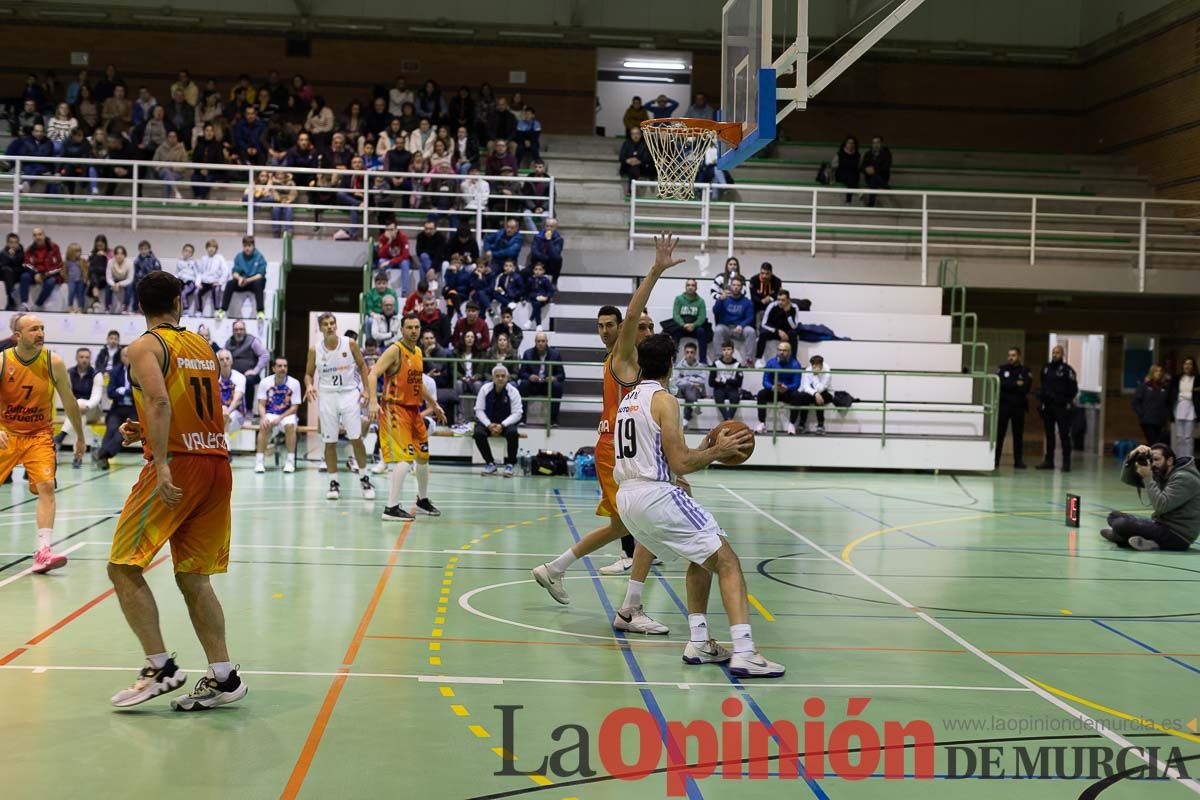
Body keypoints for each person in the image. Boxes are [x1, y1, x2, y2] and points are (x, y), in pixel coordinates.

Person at [105, 270, 247, 710]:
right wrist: (145, 430)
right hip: (216, 464)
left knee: (123, 567)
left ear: (139, 305)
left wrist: (162, 463)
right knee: (192, 576)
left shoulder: (144, 346)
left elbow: (162, 401)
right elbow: (190, 405)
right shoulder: (202, 346)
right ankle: (224, 677)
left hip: (180, 465)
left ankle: (160, 667)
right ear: (179, 302)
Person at [532, 234, 685, 634]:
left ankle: (557, 568)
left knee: (626, 528)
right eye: (642, 324)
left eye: (652, 325)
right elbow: (633, 312)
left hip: (623, 449)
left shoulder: (639, 365)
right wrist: (655, 270)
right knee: (644, 524)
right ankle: (630, 608)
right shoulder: (622, 355)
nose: (646, 328)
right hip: (615, 452)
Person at [614, 333, 783, 677]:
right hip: (654, 495)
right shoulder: (665, 400)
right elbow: (680, 464)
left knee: (700, 557)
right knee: (728, 561)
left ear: (642, 365)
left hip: (628, 499)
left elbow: (667, 454)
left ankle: (700, 642)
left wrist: (704, 446)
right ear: (671, 364)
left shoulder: (628, 399)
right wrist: (718, 452)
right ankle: (746, 651)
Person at [0, 313, 86, 572]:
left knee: (47, 485)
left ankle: (44, 551)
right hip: (7, 433)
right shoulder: (3, 361)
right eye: (33, 329)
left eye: (42, 328)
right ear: (18, 336)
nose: (40, 333)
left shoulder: (53, 362)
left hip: (39, 435)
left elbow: (69, 401)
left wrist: (79, 436)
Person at [367, 314, 448, 521]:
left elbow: (417, 383)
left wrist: (434, 404)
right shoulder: (395, 350)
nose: (414, 331)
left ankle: (422, 500)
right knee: (404, 458)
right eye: (409, 327)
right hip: (395, 409)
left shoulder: (419, 352)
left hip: (414, 411)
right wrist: (373, 402)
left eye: (417, 327)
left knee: (423, 456)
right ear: (402, 330)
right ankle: (391, 508)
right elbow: (372, 373)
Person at [306, 313, 376, 501]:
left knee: (356, 438)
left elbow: (363, 367)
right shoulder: (315, 350)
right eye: (326, 324)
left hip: (349, 394)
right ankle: (333, 482)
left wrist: (367, 391)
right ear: (320, 328)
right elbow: (308, 374)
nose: (330, 327)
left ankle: (364, 478)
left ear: (336, 326)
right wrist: (309, 385)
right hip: (328, 396)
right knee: (330, 442)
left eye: (332, 323)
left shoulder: (349, 344)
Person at [1101, 444, 1200, 551]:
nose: (1153, 464)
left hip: (1178, 536)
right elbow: (1127, 479)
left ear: (1170, 461)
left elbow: (1161, 506)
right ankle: (1134, 539)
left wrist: (1147, 477)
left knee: (1121, 524)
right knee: (1113, 516)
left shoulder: (1185, 478)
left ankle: (1122, 537)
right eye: (1151, 460)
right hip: (1161, 526)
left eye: (1157, 459)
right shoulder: (1163, 472)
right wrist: (1132, 455)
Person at [253, 358, 302, 474]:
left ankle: (290, 461)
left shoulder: (294, 383)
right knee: (264, 425)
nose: (283, 369)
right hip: (270, 413)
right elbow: (261, 404)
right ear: (273, 368)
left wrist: (280, 418)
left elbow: (294, 407)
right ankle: (259, 461)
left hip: (287, 414)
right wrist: (263, 417)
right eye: (279, 366)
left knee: (290, 425)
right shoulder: (265, 382)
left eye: (285, 366)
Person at [474, 364, 523, 477]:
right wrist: (489, 425)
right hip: (488, 422)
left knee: (512, 433)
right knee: (478, 433)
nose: (500, 378)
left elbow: (517, 413)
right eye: (497, 376)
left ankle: (510, 464)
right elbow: (479, 410)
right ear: (493, 377)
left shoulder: (513, 391)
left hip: (506, 422)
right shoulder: (485, 389)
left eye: (503, 376)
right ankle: (490, 463)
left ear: (507, 377)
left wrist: (502, 425)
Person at [94, 345, 137, 471]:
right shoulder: (115, 371)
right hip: (117, 408)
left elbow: (141, 392)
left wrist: (125, 391)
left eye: (130, 355)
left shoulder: (139, 370)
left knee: (122, 433)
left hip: (133, 410)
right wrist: (125, 392)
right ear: (121, 357)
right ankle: (104, 459)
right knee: (111, 430)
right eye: (125, 355)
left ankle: (102, 454)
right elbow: (111, 392)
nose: (128, 358)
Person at [1037, 345, 1077, 472]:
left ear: (1062, 354)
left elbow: (1073, 389)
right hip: (1048, 407)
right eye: (1053, 352)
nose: (1055, 355)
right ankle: (1049, 461)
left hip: (1062, 407)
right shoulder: (1046, 369)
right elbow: (1043, 385)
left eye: (1057, 352)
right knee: (1049, 435)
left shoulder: (1067, 370)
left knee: (1064, 435)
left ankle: (1066, 463)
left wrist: (1064, 400)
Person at [753, 340, 804, 435]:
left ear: (790, 352)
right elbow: (765, 381)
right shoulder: (771, 363)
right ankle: (762, 423)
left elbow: (797, 383)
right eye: (779, 350)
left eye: (784, 350)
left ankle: (791, 424)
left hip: (787, 392)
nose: (781, 352)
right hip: (774, 390)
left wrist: (787, 387)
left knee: (797, 396)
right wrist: (772, 387)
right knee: (761, 394)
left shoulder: (795, 364)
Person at [995, 347, 1032, 469]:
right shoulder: (1002, 369)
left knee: (1018, 435)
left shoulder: (1025, 370)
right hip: (1004, 406)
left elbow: (1026, 387)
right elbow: (1000, 384)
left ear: (1019, 356)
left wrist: (1009, 384)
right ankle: (995, 461)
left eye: (1014, 355)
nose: (1011, 357)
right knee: (1000, 434)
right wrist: (1016, 383)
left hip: (1018, 406)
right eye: (1009, 355)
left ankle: (1018, 461)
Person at [518, 332, 565, 425]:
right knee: (523, 384)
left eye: (543, 341)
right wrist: (529, 377)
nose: (540, 343)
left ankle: (553, 420)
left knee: (557, 386)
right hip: (533, 384)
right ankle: (522, 419)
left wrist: (554, 378)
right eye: (538, 341)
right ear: (535, 342)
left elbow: (562, 375)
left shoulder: (555, 354)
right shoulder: (528, 354)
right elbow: (521, 373)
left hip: (547, 385)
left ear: (547, 342)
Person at [217, 236, 267, 321]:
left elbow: (260, 274)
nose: (247, 248)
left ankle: (260, 312)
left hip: (253, 282)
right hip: (242, 282)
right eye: (245, 246)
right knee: (230, 283)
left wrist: (248, 280)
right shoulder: (239, 256)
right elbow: (234, 272)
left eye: (249, 246)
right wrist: (239, 278)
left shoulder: (259, 256)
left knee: (259, 283)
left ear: (253, 246)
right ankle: (223, 310)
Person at [713, 276, 757, 367]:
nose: (736, 287)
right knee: (718, 330)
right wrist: (720, 300)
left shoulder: (747, 302)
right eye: (734, 285)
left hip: (740, 329)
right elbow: (715, 311)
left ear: (742, 287)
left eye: (738, 285)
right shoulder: (724, 299)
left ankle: (749, 360)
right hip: (726, 328)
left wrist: (742, 325)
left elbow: (750, 317)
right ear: (730, 286)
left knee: (751, 331)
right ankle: (718, 359)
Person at [225, 320, 269, 407]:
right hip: (233, 374)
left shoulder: (252, 341)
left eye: (241, 329)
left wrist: (256, 370)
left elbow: (265, 355)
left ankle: (249, 411)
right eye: (236, 329)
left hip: (250, 374)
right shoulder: (228, 342)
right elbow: (223, 355)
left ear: (245, 330)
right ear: (233, 331)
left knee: (248, 380)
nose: (239, 332)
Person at [667, 278, 711, 362]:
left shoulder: (701, 301)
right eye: (688, 285)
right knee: (674, 332)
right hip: (682, 325)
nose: (690, 287)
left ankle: (703, 360)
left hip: (695, 326)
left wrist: (693, 325)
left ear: (696, 288)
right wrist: (683, 324)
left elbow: (702, 317)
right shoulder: (679, 299)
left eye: (693, 285)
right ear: (685, 287)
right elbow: (676, 315)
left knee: (702, 332)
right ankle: (672, 359)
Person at [758, 289, 800, 358]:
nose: (780, 302)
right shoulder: (772, 305)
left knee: (794, 334)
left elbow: (794, 326)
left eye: (783, 300)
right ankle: (758, 358)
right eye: (778, 299)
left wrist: (788, 313)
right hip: (774, 330)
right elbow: (764, 324)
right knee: (763, 333)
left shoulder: (794, 307)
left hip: (787, 331)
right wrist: (777, 331)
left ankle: (793, 359)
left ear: (788, 300)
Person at [1133, 365, 1170, 446]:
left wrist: (1165, 415)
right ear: (1152, 373)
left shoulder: (1164, 387)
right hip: (1147, 420)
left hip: (1159, 421)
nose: (1159, 373)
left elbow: (1167, 403)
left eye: (1160, 371)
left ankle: (1153, 457)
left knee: (1157, 443)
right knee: (1153, 442)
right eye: (1156, 371)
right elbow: (1135, 401)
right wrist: (1141, 413)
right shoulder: (1145, 386)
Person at [1169, 357, 1198, 459]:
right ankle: (1180, 458)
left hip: (1191, 408)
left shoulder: (1197, 379)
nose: (1187, 366)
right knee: (1179, 437)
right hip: (1179, 407)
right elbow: (1171, 394)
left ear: (1193, 366)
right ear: (1182, 365)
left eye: (1190, 364)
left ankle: (1188, 459)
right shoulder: (1177, 378)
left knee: (1188, 437)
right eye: (1185, 364)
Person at [797, 354, 833, 434]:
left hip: (827, 393)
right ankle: (802, 424)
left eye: (817, 365)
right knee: (804, 397)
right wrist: (815, 393)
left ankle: (821, 426)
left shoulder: (827, 371)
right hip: (813, 392)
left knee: (820, 398)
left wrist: (815, 375)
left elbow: (820, 388)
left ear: (822, 364)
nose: (814, 367)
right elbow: (805, 386)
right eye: (813, 364)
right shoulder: (808, 369)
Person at [216, 349, 246, 441]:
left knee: (225, 417)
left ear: (231, 361)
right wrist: (222, 410)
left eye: (227, 358)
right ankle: (226, 449)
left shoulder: (240, 377)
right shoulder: (213, 377)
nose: (225, 361)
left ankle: (225, 448)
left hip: (237, 414)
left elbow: (237, 400)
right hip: (220, 412)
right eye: (221, 359)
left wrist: (227, 411)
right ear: (217, 362)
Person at [675, 342, 708, 428]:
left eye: (692, 352)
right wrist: (692, 382)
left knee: (690, 390)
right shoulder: (679, 366)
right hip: (682, 390)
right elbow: (676, 381)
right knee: (687, 387)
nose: (689, 355)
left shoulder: (700, 366)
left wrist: (686, 379)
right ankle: (694, 403)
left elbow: (703, 380)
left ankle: (686, 418)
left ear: (695, 353)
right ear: (684, 353)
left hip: (696, 391)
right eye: (687, 352)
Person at [709, 342, 744, 421]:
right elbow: (711, 382)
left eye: (728, 349)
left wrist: (723, 381)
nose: (726, 352)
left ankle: (727, 419)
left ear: (733, 351)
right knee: (718, 397)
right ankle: (728, 419)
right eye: (724, 350)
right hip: (719, 388)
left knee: (735, 398)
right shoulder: (716, 364)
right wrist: (730, 381)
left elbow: (739, 383)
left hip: (732, 388)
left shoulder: (737, 365)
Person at [861, 135, 892, 207]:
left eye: (878, 142)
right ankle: (886, 187)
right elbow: (861, 167)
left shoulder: (886, 153)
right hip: (869, 178)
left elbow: (886, 167)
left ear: (882, 144)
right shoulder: (868, 154)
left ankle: (870, 205)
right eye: (874, 143)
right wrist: (866, 169)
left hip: (883, 178)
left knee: (874, 178)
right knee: (873, 179)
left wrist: (874, 170)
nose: (875, 145)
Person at [524, 262, 555, 326]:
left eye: (540, 269)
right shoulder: (530, 279)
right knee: (536, 304)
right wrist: (527, 298)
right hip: (534, 298)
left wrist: (546, 297)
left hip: (543, 299)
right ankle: (538, 324)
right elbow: (527, 290)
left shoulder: (545, 280)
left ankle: (530, 320)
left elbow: (550, 290)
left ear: (543, 271)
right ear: (533, 270)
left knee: (537, 304)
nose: (537, 271)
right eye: (536, 269)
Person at [833, 136, 860, 204]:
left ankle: (848, 200)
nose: (850, 145)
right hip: (841, 174)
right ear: (845, 144)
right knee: (849, 174)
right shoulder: (840, 154)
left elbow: (858, 167)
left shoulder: (857, 155)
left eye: (852, 143)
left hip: (853, 176)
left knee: (851, 176)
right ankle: (856, 192)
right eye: (849, 143)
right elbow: (833, 165)